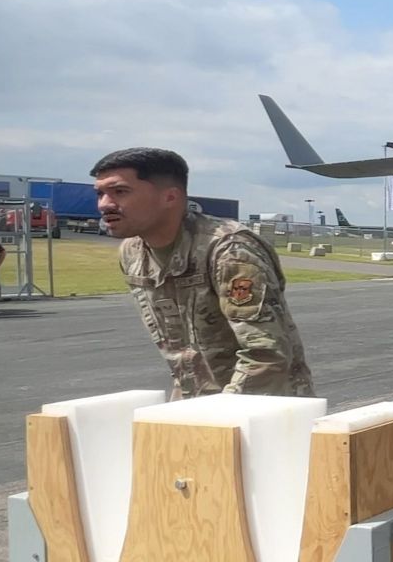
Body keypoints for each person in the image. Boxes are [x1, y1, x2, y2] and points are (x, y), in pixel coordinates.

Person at [92, 147, 313, 398]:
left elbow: (266, 355)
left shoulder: (229, 250)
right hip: (197, 406)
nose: (104, 204)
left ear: (170, 198)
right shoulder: (132, 253)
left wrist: (215, 418)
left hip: (265, 410)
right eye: (100, 194)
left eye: (120, 192)